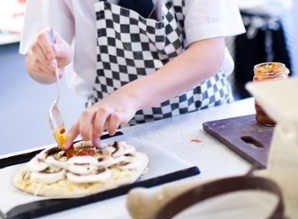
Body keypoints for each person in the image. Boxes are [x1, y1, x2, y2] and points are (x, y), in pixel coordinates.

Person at [19, 0, 245, 149]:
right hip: (113, 136)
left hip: (203, 122)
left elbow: (208, 55)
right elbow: (40, 68)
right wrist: (43, 61)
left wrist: (128, 97)